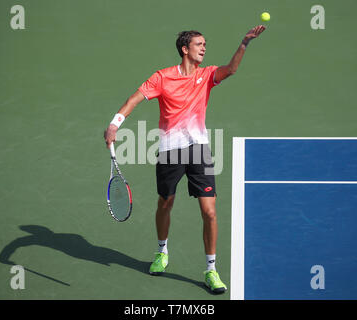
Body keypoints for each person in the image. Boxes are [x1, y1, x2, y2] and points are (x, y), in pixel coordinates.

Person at [104, 25, 266, 294]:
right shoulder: (162, 78)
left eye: (205, 44)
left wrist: (244, 43)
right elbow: (134, 99)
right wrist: (114, 124)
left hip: (199, 150)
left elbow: (231, 69)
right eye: (199, 44)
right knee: (165, 203)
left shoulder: (207, 75)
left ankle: (211, 270)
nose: (204, 48)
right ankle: (161, 252)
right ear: (185, 49)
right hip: (170, 150)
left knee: (210, 211)